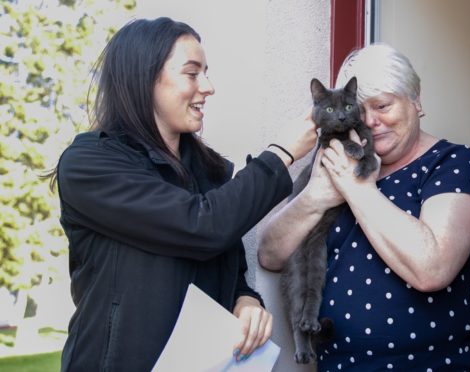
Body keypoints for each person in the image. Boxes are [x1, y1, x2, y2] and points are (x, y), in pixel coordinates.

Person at [51, 17, 317, 371]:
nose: (208, 87)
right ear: (144, 79)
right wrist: (281, 154)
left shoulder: (212, 172)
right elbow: (201, 226)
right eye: (192, 74)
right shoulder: (90, 165)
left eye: (206, 72)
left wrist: (245, 300)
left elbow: (228, 266)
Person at [258, 42, 470, 371]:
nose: (370, 121)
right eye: (360, 108)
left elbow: (432, 269)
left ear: (416, 100)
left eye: (383, 105)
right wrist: (317, 194)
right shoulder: (333, 167)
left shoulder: (453, 164)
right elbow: (270, 254)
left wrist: (356, 189)